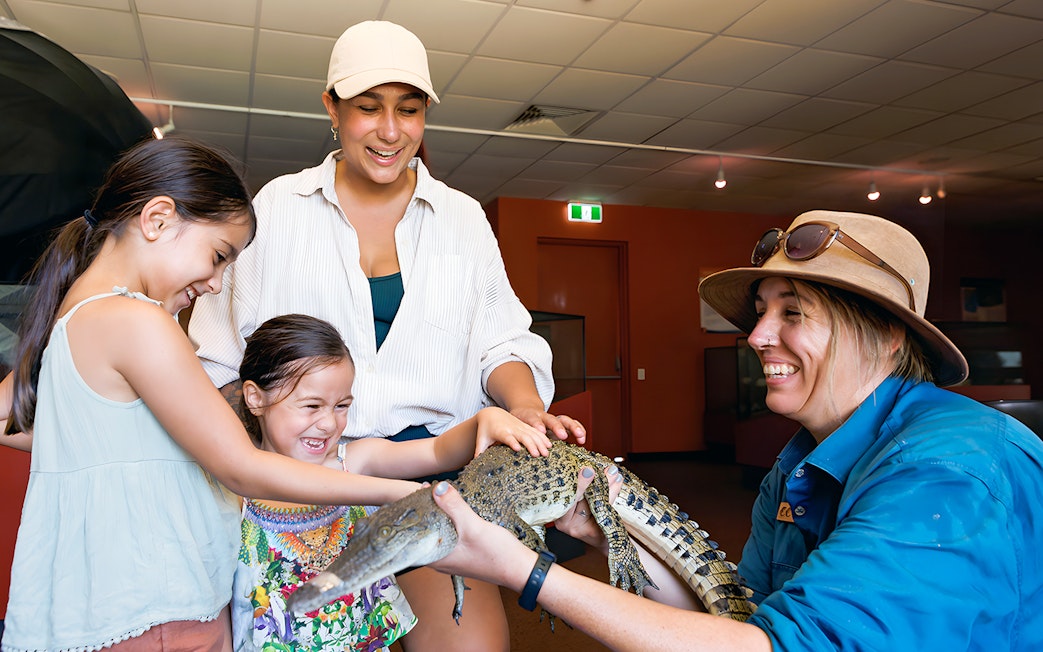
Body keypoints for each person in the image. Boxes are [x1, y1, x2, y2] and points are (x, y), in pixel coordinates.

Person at [424, 209, 1043, 650]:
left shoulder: (948, 469)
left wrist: (529, 572)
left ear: (885, 336)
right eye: (761, 312)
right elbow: (734, 614)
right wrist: (598, 529)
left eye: (793, 312)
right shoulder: (798, 467)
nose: (755, 336)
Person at [187, 20, 585, 650]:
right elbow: (216, 366)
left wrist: (527, 406)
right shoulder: (278, 209)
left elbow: (502, 343)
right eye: (368, 108)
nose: (391, 131)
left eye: (409, 109)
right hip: (302, 485)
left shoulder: (462, 218)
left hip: (433, 476)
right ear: (332, 108)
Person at [0, 137, 440, 651]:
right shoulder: (139, 321)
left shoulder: (71, 316)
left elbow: (28, 423)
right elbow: (240, 466)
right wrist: (405, 497)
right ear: (158, 219)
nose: (215, 283)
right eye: (217, 256)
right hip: (160, 610)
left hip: (96, 609)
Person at [232, 313, 554, 650]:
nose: (328, 423)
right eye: (311, 405)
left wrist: (484, 421)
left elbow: (437, 450)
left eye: (342, 405)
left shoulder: (353, 461)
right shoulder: (236, 491)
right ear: (256, 398)